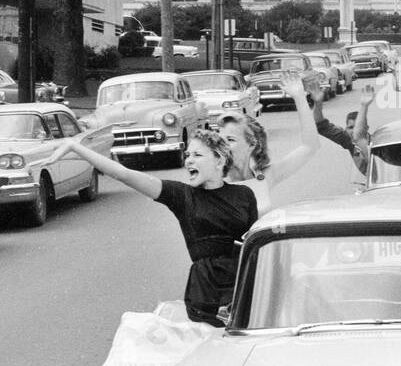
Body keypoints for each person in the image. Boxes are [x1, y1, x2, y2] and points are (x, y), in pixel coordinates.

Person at [55, 128, 258, 326]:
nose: (189, 161)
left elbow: (255, 246)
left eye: (197, 155)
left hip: (244, 284)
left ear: (219, 160)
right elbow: (123, 174)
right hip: (208, 292)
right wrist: (75, 147)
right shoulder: (182, 195)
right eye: (187, 155)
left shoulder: (244, 195)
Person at [218, 76, 319, 215]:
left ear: (251, 144)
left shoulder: (264, 177)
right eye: (220, 140)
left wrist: (300, 98)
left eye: (231, 139)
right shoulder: (212, 182)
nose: (222, 146)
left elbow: (310, 146)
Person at [310, 78, 372, 175]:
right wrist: (318, 103)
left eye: (358, 127)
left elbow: (359, 136)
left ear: (367, 128)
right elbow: (320, 126)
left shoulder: (376, 143)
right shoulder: (348, 141)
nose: (354, 131)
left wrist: (364, 106)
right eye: (351, 127)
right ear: (346, 129)